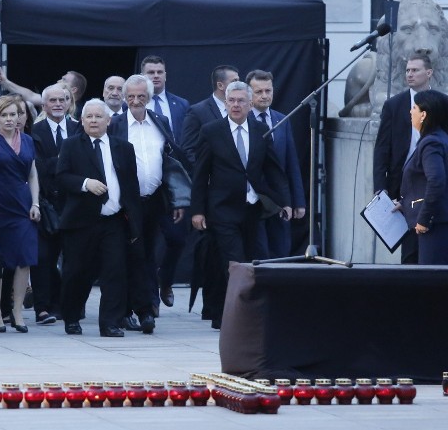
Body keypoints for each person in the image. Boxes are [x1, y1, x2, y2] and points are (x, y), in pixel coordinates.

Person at [190, 81, 291, 328]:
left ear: (249, 103)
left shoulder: (259, 130)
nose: (236, 105)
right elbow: (201, 174)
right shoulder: (211, 131)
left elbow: (273, 169)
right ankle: (228, 315)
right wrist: (198, 210)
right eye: (231, 101)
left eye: (240, 101)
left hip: (252, 208)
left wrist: (285, 202)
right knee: (232, 261)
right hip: (222, 209)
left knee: (252, 259)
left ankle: (250, 311)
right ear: (226, 104)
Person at [373, 52, 448, 264]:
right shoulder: (393, 105)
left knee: (431, 258)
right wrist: (380, 191)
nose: (409, 74)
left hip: (435, 192)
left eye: (415, 70)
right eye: (407, 70)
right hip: (404, 187)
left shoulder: (443, 106)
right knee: (410, 254)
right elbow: (382, 151)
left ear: (429, 73)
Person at [108, 74, 188, 333]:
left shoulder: (160, 121)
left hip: (154, 199)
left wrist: (176, 197)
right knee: (129, 255)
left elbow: (169, 162)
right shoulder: (116, 124)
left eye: (141, 96)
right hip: (125, 201)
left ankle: (147, 308)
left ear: (149, 97)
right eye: (130, 96)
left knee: (149, 254)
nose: (135, 101)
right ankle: (131, 310)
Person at [56, 99, 142, 337]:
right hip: (81, 222)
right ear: (82, 121)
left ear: (108, 120)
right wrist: (85, 183)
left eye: (98, 116)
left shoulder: (123, 147)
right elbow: (61, 177)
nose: (93, 121)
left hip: (113, 221)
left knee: (115, 271)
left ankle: (110, 323)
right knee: (77, 273)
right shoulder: (71, 145)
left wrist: (134, 222)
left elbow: (131, 186)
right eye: (89, 117)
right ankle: (72, 317)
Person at [393, 90, 448, 264]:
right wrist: (406, 204)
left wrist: (424, 219)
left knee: (433, 282)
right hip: (442, 219)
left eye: (414, 108)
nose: (411, 112)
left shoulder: (431, 142)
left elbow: (436, 182)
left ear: (424, 114)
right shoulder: (437, 138)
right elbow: (423, 185)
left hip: (438, 222)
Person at [0, 95, 40, 333]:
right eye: (5, 115)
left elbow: (32, 174)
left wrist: (36, 203)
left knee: (24, 259)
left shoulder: (28, 140)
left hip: (23, 205)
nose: (10, 119)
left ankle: (18, 311)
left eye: (14, 114)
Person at [31, 84, 80, 325]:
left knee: (73, 258)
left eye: (63, 99)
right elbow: (36, 168)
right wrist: (64, 161)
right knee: (44, 258)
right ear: (44, 105)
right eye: (53, 100)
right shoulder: (34, 130)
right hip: (46, 202)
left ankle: (69, 304)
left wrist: (58, 163)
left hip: (74, 203)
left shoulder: (78, 128)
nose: (58, 104)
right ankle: (43, 306)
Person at [246, 69, 307, 257]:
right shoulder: (241, 120)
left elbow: (291, 163)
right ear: (249, 94)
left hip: (280, 200)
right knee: (259, 252)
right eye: (259, 92)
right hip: (253, 198)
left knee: (281, 250)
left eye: (268, 91)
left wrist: (298, 201)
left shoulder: (282, 120)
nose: (264, 96)